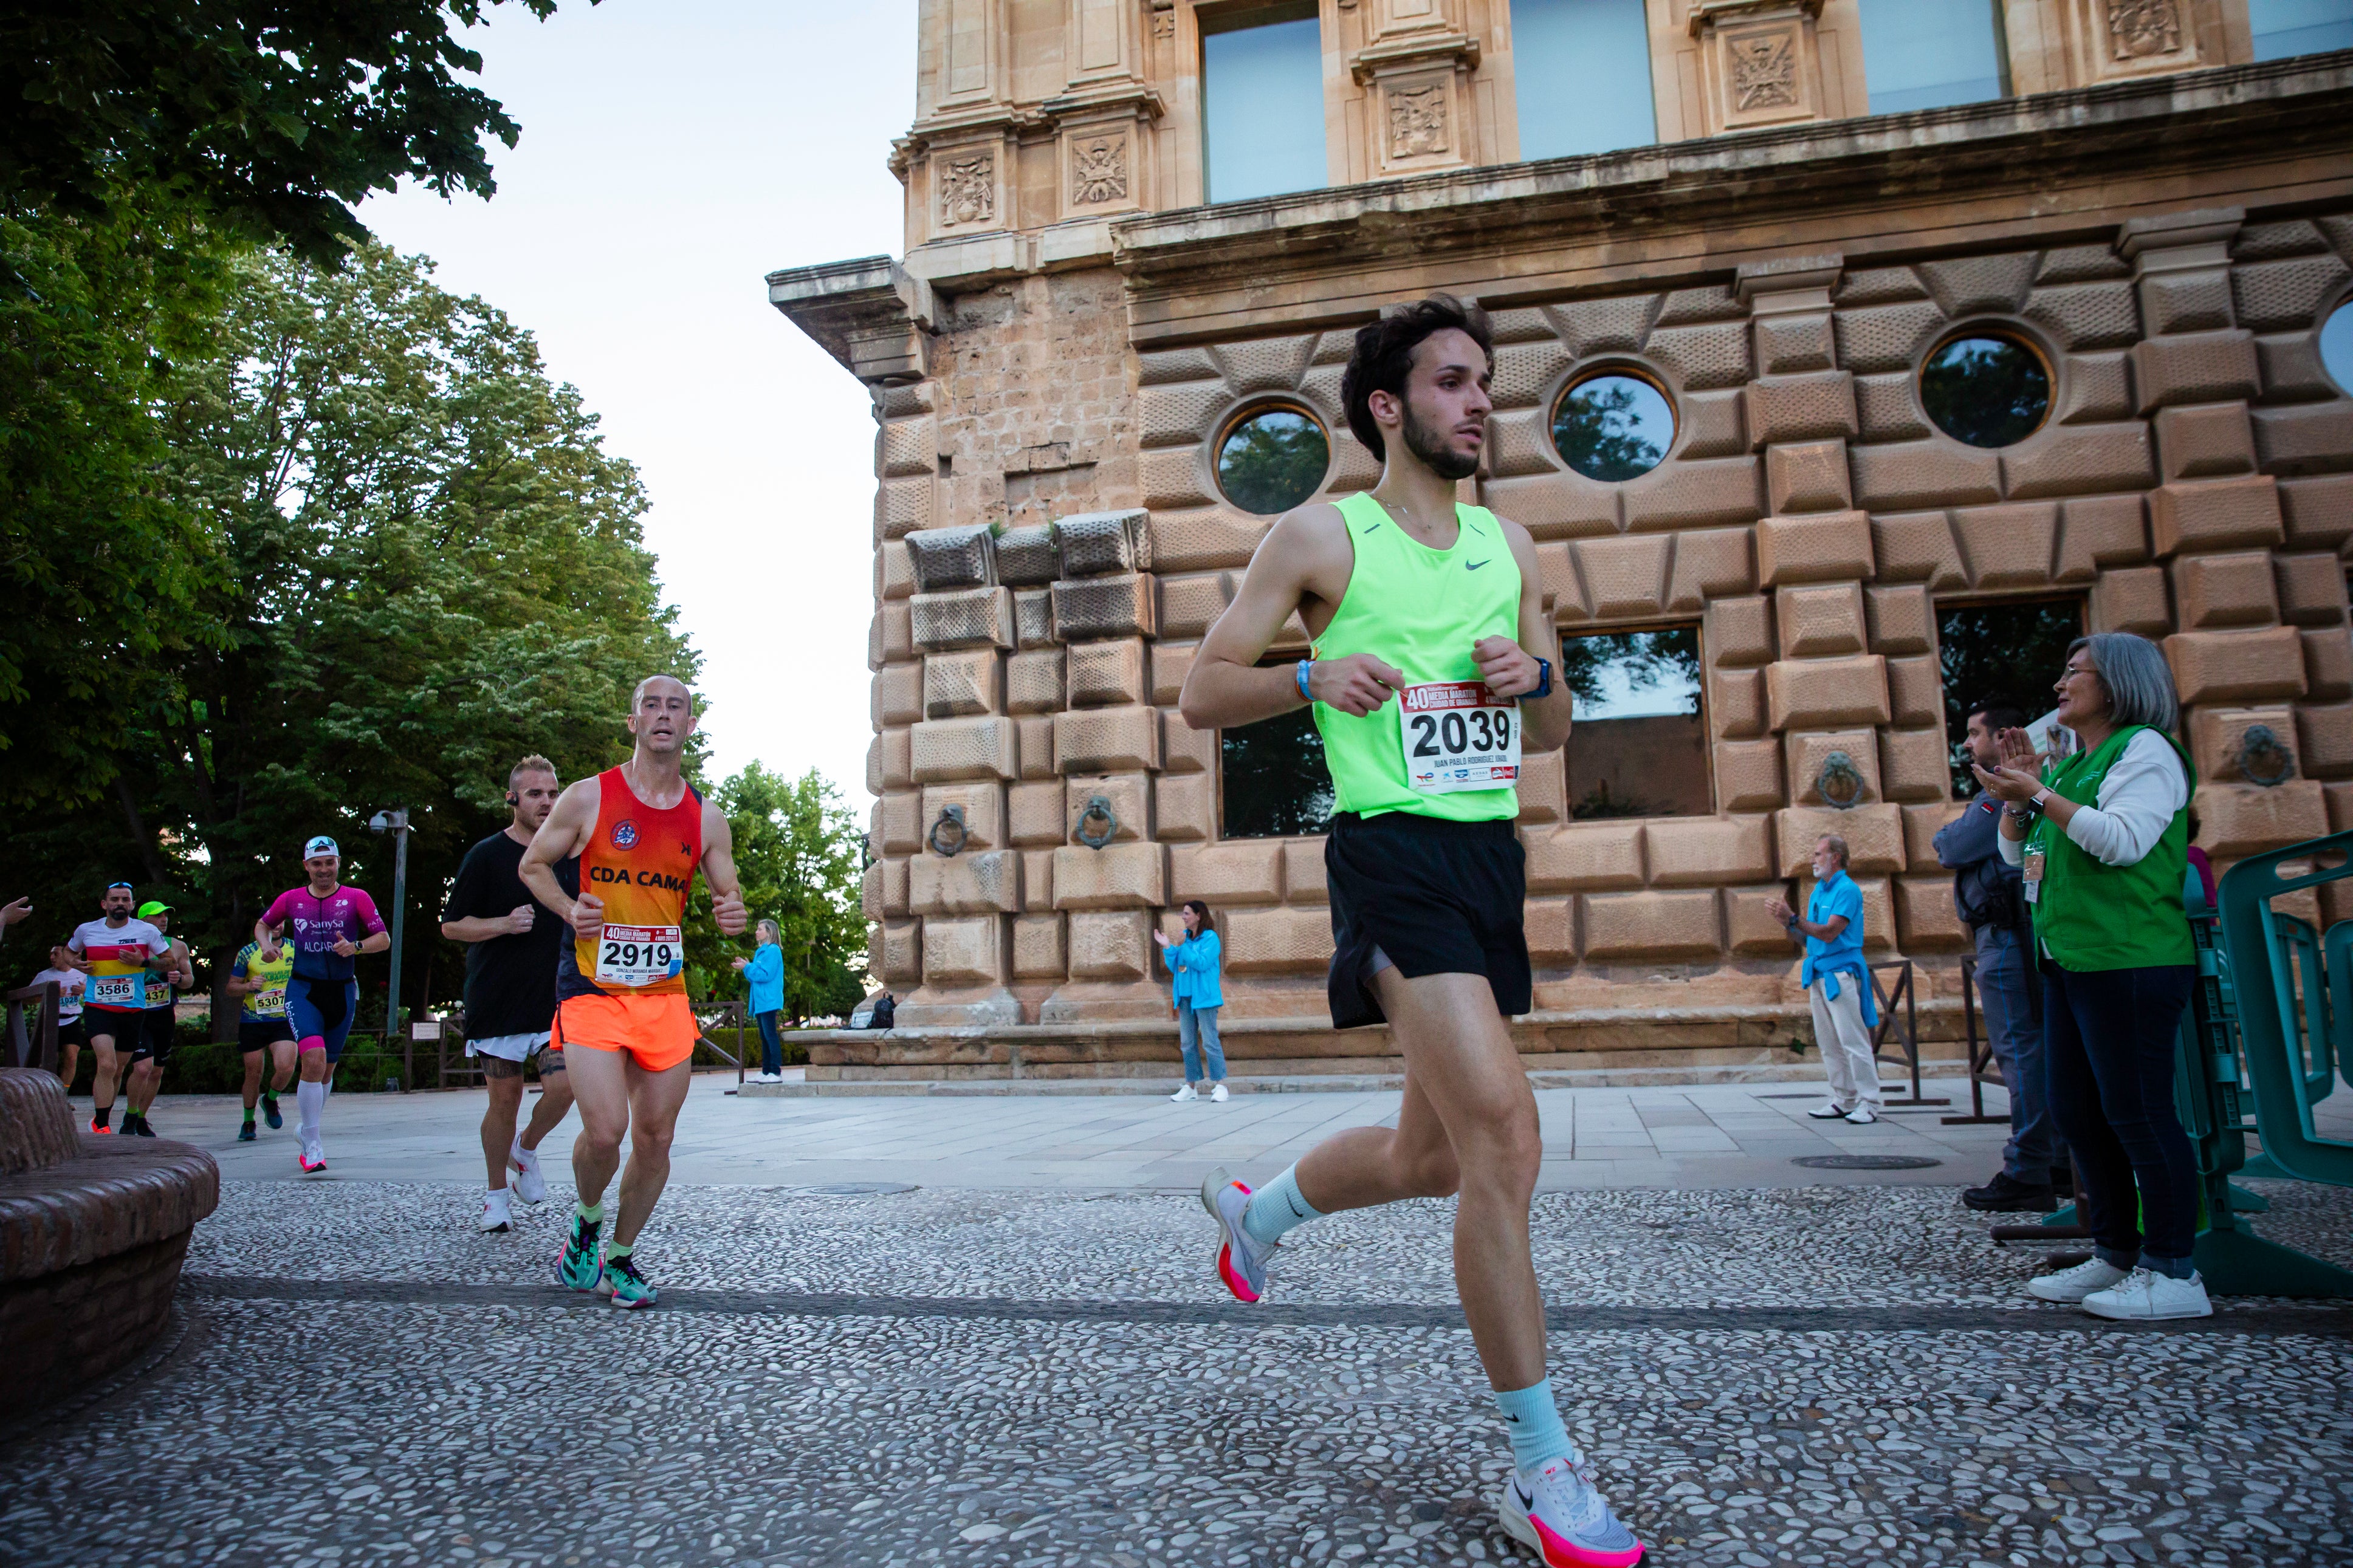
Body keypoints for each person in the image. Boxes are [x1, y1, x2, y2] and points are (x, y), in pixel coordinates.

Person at [1178, 295, 1641, 1568]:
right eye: (1451, 382)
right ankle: (1543, 1467)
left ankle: (1258, 1212)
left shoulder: (1512, 544)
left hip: (1490, 855)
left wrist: (1535, 680)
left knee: (1433, 1155)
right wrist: (1305, 677)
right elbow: (1199, 693)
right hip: (1389, 853)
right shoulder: (1321, 533)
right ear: (1388, 406)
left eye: (1484, 381)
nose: (1480, 401)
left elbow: (1552, 730)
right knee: (1504, 1128)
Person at [1976, 631, 2211, 1321]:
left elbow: (2122, 840)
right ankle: (2114, 1254)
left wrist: (2037, 793)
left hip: (2131, 958)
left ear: (2116, 684)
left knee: (2138, 1113)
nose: (2059, 684)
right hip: (2071, 958)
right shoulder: (2074, 763)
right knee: (2079, 1112)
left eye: (2074, 671)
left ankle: (2174, 1272)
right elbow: (2017, 856)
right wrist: (2021, 801)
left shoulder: (2144, 750)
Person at [521, 676, 746, 1309]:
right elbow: (532, 865)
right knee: (604, 1133)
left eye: (675, 706)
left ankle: (619, 1256)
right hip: (592, 987)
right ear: (633, 721)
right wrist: (569, 910)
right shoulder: (588, 796)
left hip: (663, 994)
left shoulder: (705, 816)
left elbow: (726, 888)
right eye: (652, 705)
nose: (663, 715)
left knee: (655, 1138)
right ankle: (586, 1220)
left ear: (690, 725)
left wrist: (730, 910)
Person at [1937, 700, 2069, 1211]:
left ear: (2003, 736)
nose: (1968, 744)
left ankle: (2028, 1168)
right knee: (2034, 1051)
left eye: (1974, 734)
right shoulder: (2011, 792)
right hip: (2012, 933)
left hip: (2009, 937)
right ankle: (2055, 1160)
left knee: (2021, 1053)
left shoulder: (2004, 792)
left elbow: (1952, 845)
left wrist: (1958, 830)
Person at [441, 755, 580, 1232]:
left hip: (556, 998)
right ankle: (495, 1196)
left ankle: (526, 1148)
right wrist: (504, 923)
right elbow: (451, 926)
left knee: (567, 1086)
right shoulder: (485, 855)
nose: (547, 801)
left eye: (553, 792)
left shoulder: (570, 856)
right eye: (536, 793)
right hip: (497, 999)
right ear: (513, 798)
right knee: (504, 1100)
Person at [255, 837, 390, 1173]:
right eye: (317, 864)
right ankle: (313, 1144)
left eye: (329, 862)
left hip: (342, 992)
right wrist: (265, 945)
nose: (324, 870)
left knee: (326, 1070)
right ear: (307, 867)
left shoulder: (356, 898)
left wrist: (355, 947)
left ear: (338, 863)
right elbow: (262, 924)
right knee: (312, 1060)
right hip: (303, 990)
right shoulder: (292, 899)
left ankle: (307, 1126)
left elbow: (383, 939)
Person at [1769, 835, 1881, 1126]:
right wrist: (1788, 922)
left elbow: (1830, 933)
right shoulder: (1819, 891)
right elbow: (1809, 936)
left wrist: (1793, 918)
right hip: (1820, 972)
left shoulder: (1847, 890)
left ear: (1836, 857)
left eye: (1818, 854)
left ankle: (1869, 1102)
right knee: (1829, 1042)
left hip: (1841, 973)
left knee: (1853, 1041)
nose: (1813, 860)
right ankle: (1844, 1098)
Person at [67, 884, 170, 1134]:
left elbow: (170, 962)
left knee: (119, 1069)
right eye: (114, 899)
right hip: (98, 1007)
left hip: (133, 1010)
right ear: (105, 904)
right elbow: (68, 955)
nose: (120, 903)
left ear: (133, 905)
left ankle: (103, 1116)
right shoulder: (86, 930)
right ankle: (101, 1125)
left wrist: (144, 961)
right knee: (107, 1065)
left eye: (125, 899)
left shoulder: (145, 931)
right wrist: (78, 965)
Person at [112, 899, 191, 1138]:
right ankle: (131, 1113)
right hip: (137, 1014)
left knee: (156, 1071)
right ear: (143, 920)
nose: (164, 919)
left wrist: (180, 980)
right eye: (158, 916)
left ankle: (141, 1118)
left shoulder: (177, 947)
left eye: (166, 915)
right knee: (143, 1068)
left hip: (164, 1014)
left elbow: (189, 980)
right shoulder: (130, 944)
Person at [227, 932, 298, 1142]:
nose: (276, 926)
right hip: (253, 1020)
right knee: (253, 1073)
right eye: (270, 922)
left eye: (279, 921)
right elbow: (231, 987)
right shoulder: (247, 952)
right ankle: (249, 1121)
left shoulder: (296, 948)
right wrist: (248, 986)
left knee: (286, 1067)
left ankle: (270, 1099)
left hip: (284, 1019)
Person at [1155, 899, 1227, 1102]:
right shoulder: (1186, 939)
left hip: (1205, 999)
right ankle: (1191, 1086)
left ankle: (1221, 1085)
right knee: (1187, 1043)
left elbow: (1202, 963)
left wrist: (1183, 946)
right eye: (1183, 913)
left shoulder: (1211, 939)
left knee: (1210, 1041)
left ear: (1198, 916)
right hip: (1186, 998)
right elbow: (1176, 965)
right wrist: (1168, 947)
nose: (1183, 917)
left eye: (1187, 914)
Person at [732, 919, 787, 1083]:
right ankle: (766, 1072)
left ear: (769, 932)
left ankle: (776, 1072)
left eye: (760, 929)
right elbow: (754, 976)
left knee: (770, 1036)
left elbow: (765, 975)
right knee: (764, 1037)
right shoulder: (761, 952)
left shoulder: (773, 951)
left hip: (769, 1000)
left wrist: (747, 967)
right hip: (761, 1001)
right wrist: (747, 967)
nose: (756, 932)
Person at [29, 943, 88, 1088]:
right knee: (49, 1061)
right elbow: (28, 998)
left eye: (56, 954)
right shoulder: (44, 976)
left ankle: (62, 1096)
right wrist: (49, 993)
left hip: (72, 1019)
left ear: (67, 956)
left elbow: (96, 995)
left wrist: (84, 990)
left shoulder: (81, 975)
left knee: (71, 1059)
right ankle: (47, 1093)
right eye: (51, 954)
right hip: (50, 1021)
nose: (52, 958)